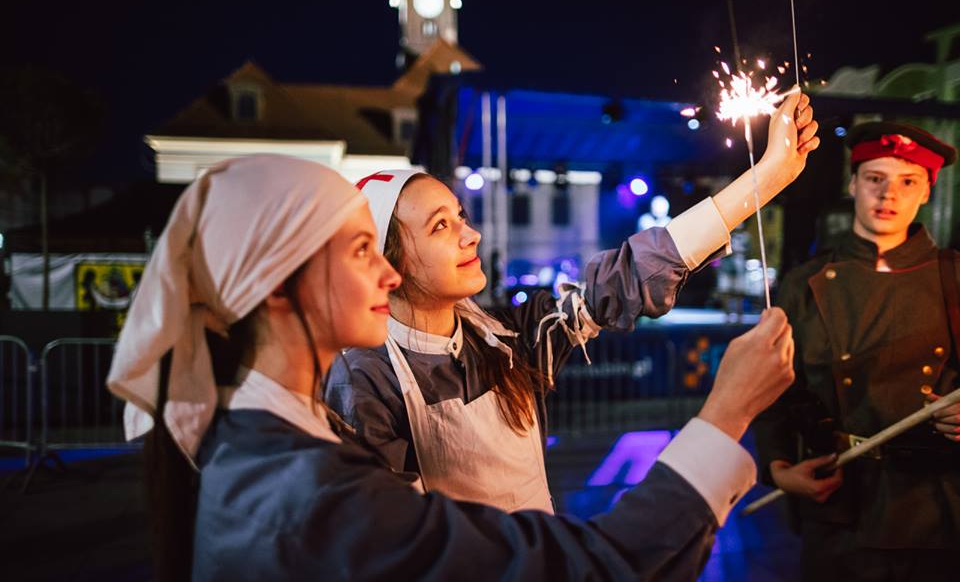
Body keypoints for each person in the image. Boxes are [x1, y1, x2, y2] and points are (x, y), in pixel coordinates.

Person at [107, 154, 796, 581]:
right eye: (360, 250)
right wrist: (724, 416)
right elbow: (569, 569)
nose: (385, 269)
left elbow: (620, 280)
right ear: (279, 286)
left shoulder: (496, 339)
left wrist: (762, 180)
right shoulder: (315, 477)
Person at [326, 92, 820, 512]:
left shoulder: (507, 338)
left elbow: (629, 273)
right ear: (390, 263)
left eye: (460, 216)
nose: (471, 235)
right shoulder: (364, 380)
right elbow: (394, 544)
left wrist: (770, 177)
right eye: (440, 226)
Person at [753, 122, 960, 581]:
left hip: (937, 514)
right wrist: (779, 468)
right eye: (875, 178)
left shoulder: (955, 278)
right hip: (839, 511)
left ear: (927, 192)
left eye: (908, 182)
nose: (889, 195)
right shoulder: (803, 283)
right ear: (853, 184)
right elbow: (771, 393)